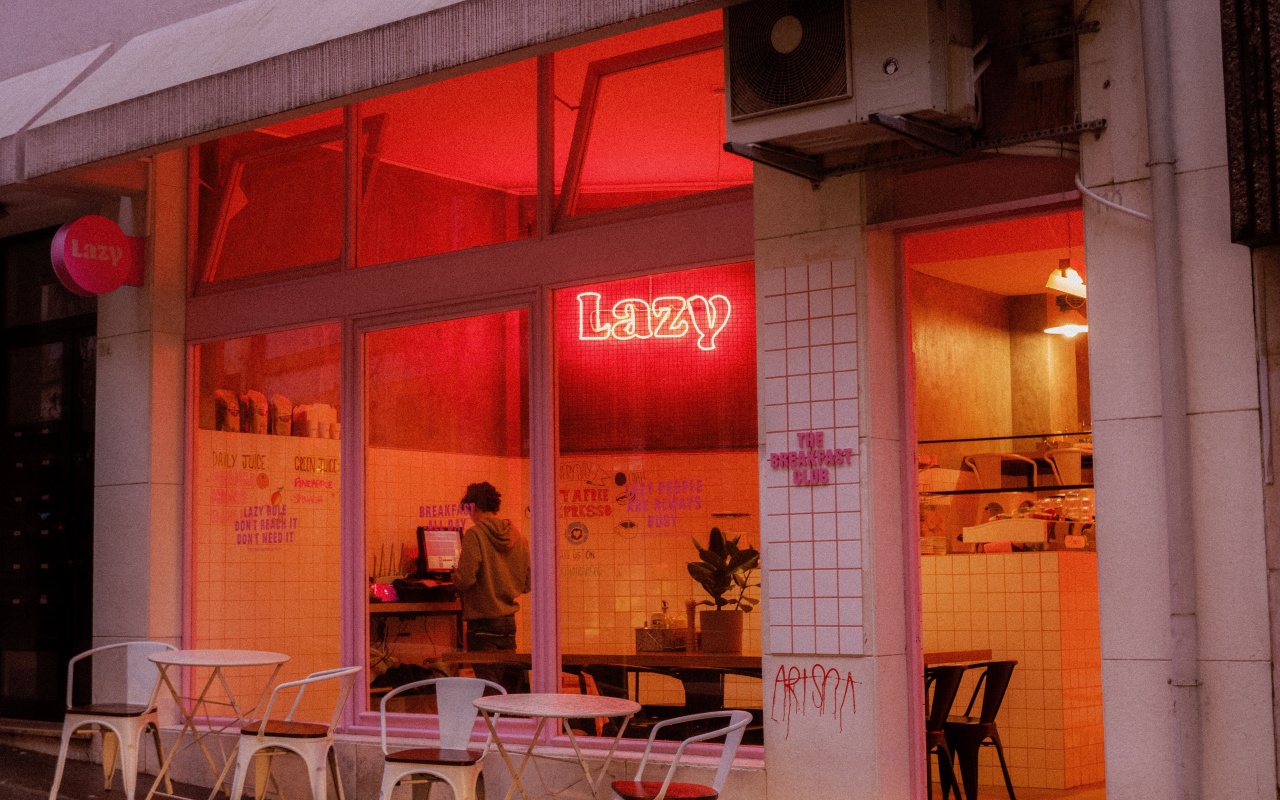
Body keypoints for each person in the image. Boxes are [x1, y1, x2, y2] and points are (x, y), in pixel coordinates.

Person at [455, 481, 530, 691]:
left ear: (474, 507)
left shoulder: (475, 535)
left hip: (483, 626)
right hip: (508, 625)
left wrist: (454, 578)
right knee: (507, 693)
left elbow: (465, 579)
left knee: (489, 693)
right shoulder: (518, 537)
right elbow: (527, 583)